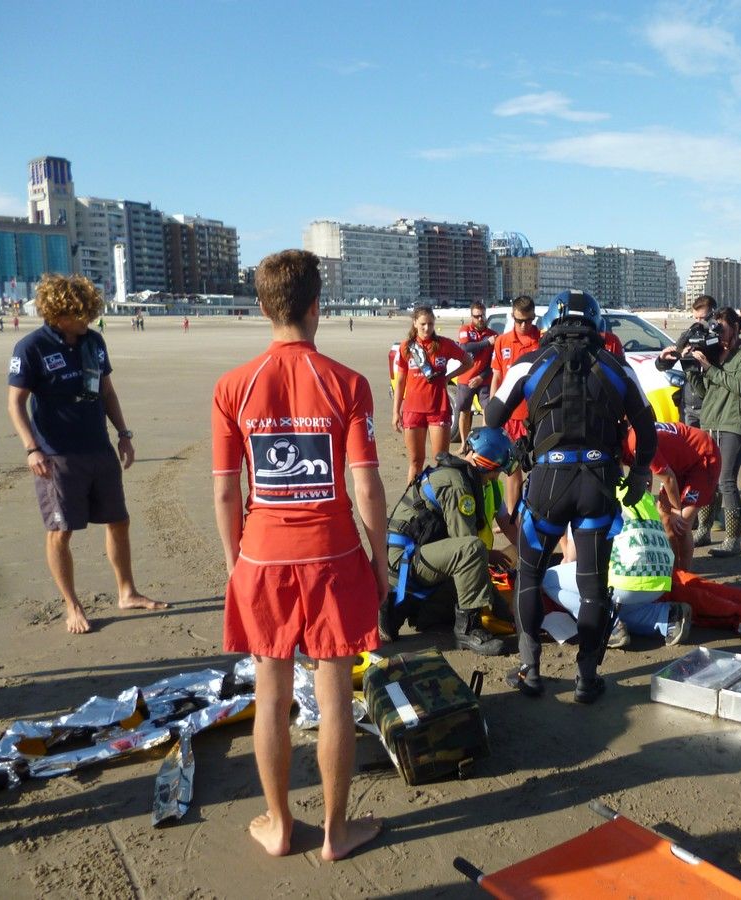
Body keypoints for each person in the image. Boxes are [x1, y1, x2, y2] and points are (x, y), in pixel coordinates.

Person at [212, 249, 388, 860]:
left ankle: (280, 822)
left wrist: (237, 564)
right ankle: (336, 832)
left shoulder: (234, 385)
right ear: (319, 306)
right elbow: (365, 483)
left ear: (263, 308)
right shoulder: (347, 383)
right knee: (334, 691)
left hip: (261, 555)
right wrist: (380, 561)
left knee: (272, 692)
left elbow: (226, 488)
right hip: (334, 552)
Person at [485, 290, 656, 703]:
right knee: (594, 584)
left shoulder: (529, 362)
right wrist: (639, 473)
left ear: (550, 322)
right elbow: (646, 427)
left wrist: (517, 451)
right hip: (597, 482)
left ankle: (529, 670)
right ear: (597, 324)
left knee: (528, 574)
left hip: (547, 482)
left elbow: (492, 418)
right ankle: (586, 677)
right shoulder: (617, 365)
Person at [7, 275, 166, 635]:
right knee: (60, 531)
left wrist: (123, 435)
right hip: (57, 454)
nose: (88, 320)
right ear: (58, 312)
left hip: (99, 448)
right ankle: (72, 605)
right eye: (81, 315)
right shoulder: (30, 347)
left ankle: (127, 591)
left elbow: (107, 392)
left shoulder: (94, 342)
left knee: (119, 521)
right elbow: (15, 403)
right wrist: (32, 448)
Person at [381, 427, 517, 656]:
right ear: (487, 463)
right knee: (473, 549)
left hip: (413, 556)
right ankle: (468, 630)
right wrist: (502, 608)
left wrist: (503, 612)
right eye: (498, 470)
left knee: (454, 601)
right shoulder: (457, 484)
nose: (497, 477)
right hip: (405, 562)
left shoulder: (462, 475)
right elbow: (466, 545)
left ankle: (406, 608)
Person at [543, 486, 690, 650]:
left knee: (549, 579)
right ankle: (667, 616)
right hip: (660, 578)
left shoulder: (583, 492)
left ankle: (604, 625)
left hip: (626, 578)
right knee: (617, 605)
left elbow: (572, 559)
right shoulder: (633, 487)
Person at [682, 307, 741, 558]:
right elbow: (707, 392)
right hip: (712, 420)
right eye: (715, 327)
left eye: (721, 327)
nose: (717, 332)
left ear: (735, 327)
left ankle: (733, 540)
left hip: (735, 422)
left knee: (726, 480)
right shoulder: (715, 353)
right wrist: (693, 368)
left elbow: (740, 386)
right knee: (708, 480)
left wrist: (711, 368)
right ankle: (703, 529)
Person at [621, 420, 719, 572]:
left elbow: (668, 478)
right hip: (679, 463)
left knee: (681, 524)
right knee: (664, 516)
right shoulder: (629, 441)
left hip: (703, 457)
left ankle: (685, 574)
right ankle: (673, 570)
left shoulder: (637, 443)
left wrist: (676, 510)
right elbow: (645, 471)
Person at [392, 306, 471, 483]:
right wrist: (396, 411)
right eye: (422, 324)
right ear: (414, 323)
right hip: (413, 410)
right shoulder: (406, 347)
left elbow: (468, 361)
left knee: (441, 461)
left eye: (430, 324)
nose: (427, 328)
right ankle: (415, 502)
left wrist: (449, 377)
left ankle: (438, 501)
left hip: (438, 409)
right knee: (415, 461)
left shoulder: (444, 344)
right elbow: (400, 382)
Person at [489, 295, 542, 517]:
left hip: (535, 418)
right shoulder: (502, 341)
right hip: (510, 417)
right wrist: (491, 412)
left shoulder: (542, 340)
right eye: (519, 320)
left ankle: (537, 514)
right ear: (512, 317)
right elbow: (497, 377)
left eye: (528, 321)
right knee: (512, 471)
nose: (523, 325)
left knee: (539, 468)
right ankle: (513, 517)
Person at [655, 294, 716, 427]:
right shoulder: (691, 333)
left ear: (712, 315)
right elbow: (665, 363)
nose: (699, 322)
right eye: (696, 318)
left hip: (709, 402)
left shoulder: (719, 337)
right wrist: (663, 359)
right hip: (688, 403)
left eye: (703, 318)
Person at [454, 301, 498, 445]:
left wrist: (481, 377)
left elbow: (494, 363)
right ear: (471, 316)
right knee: (464, 411)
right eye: (476, 316)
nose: (480, 319)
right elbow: (465, 347)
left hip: (484, 379)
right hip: (465, 379)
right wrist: (486, 343)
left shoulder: (493, 335)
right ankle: (463, 444)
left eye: (482, 316)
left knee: (488, 409)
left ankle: (484, 442)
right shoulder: (465, 329)